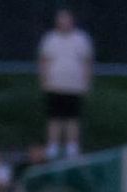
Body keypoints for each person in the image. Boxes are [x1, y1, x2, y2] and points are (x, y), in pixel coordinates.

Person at [38, 8, 94, 159]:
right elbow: (44, 61)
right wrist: (44, 81)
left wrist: (86, 83)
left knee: (72, 119)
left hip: (74, 88)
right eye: (61, 20)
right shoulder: (50, 39)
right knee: (54, 118)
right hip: (55, 86)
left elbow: (87, 63)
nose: (64, 23)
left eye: (66, 19)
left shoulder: (81, 39)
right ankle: (53, 146)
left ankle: (72, 147)